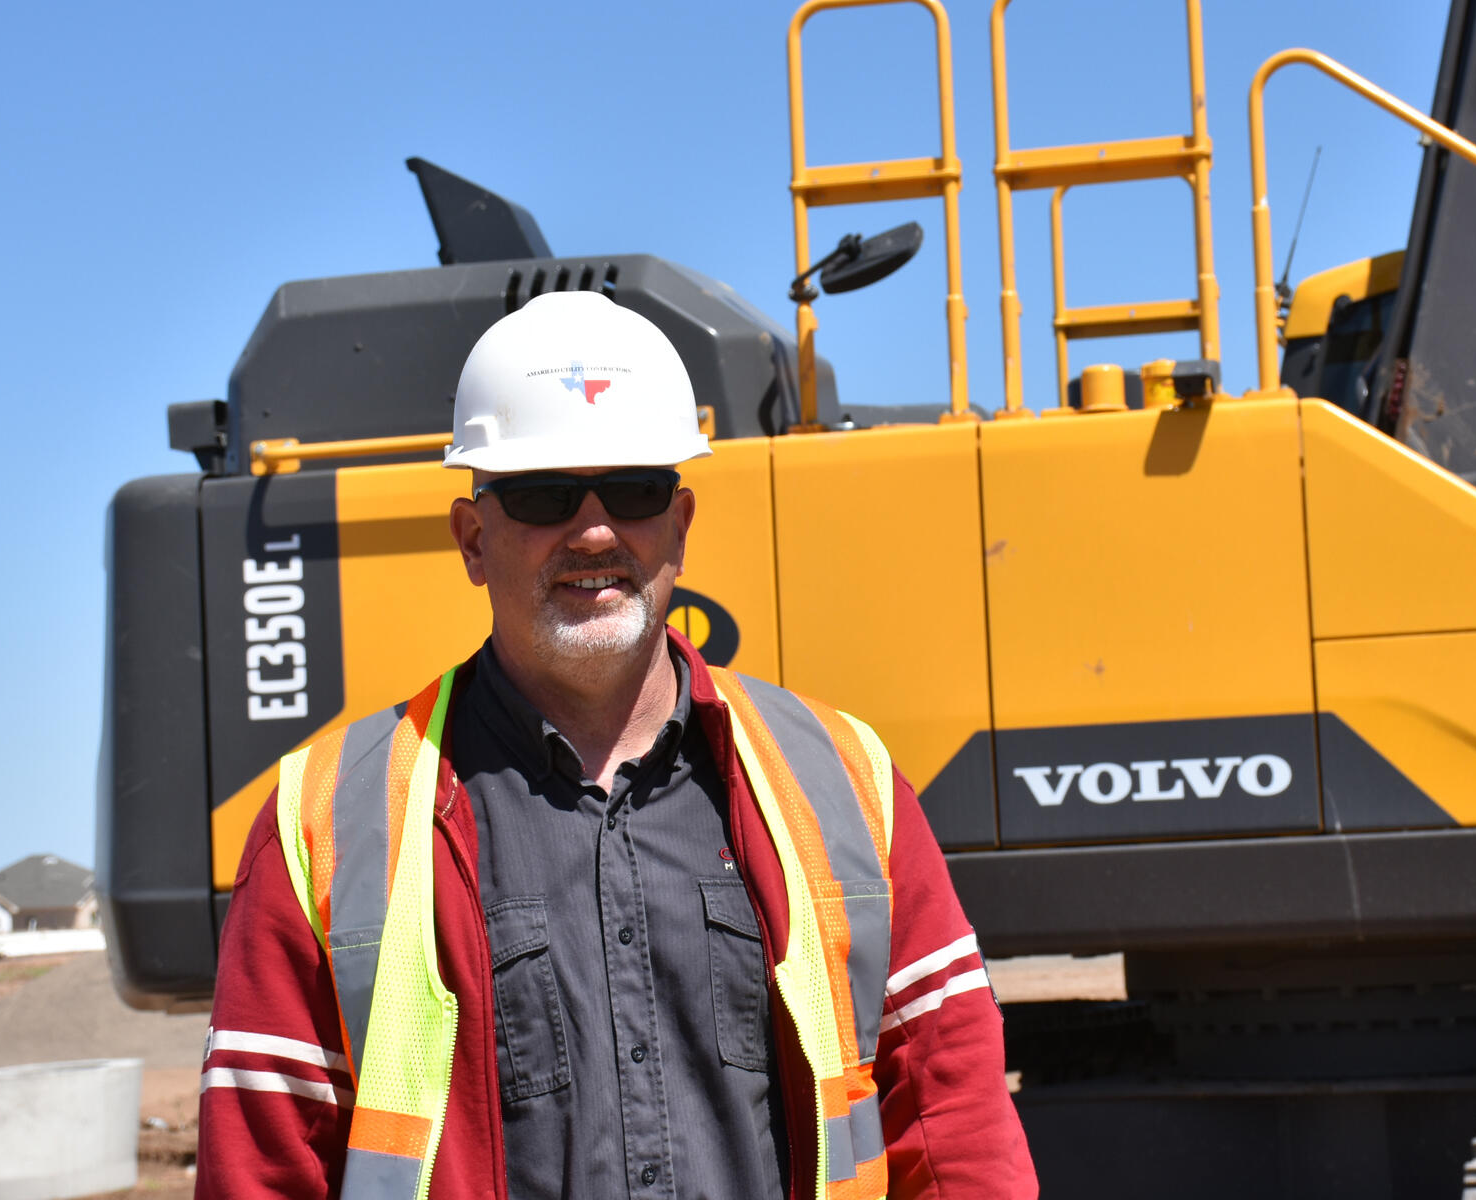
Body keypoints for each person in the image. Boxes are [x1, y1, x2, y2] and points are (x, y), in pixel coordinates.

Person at [197, 291, 1037, 1199]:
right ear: (473, 539)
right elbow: (261, 1171)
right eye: (544, 494)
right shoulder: (326, 823)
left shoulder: (845, 780)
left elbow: (953, 1125)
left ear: (679, 525)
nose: (595, 530)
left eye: (633, 489)